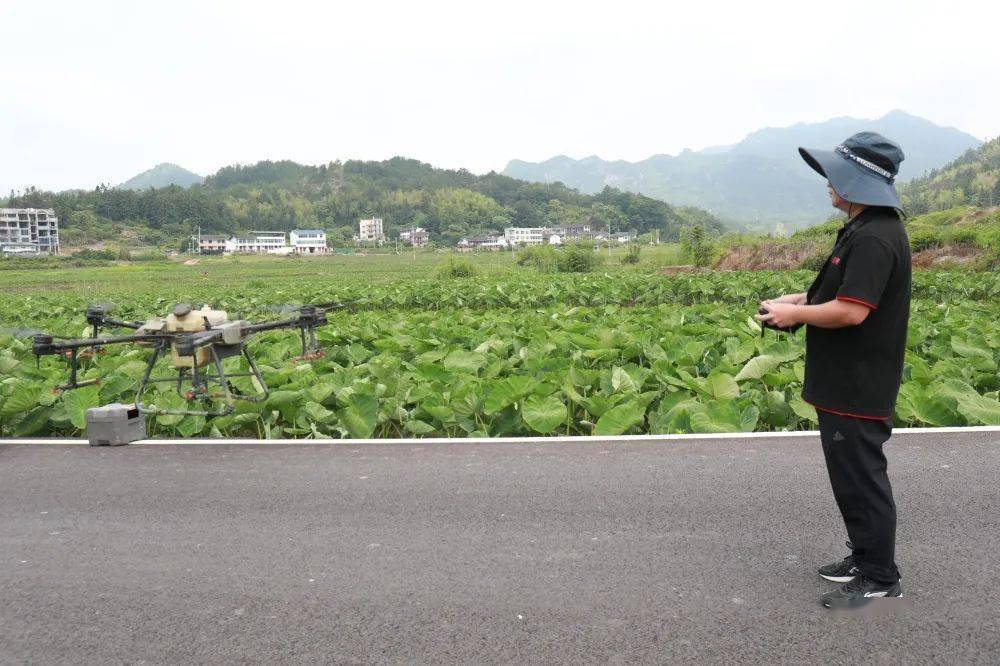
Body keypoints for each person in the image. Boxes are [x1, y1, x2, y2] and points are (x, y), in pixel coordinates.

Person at [756, 132, 911, 610]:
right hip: (845, 381)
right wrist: (797, 301)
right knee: (850, 479)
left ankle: (881, 576)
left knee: (862, 480)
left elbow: (852, 311)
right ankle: (864, 558)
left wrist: (797, 316)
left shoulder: (877, 237)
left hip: (858, 385)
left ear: (859, 182)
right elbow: (838, 295)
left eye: (834, 176)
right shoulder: (862, 229)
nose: (827, 183)